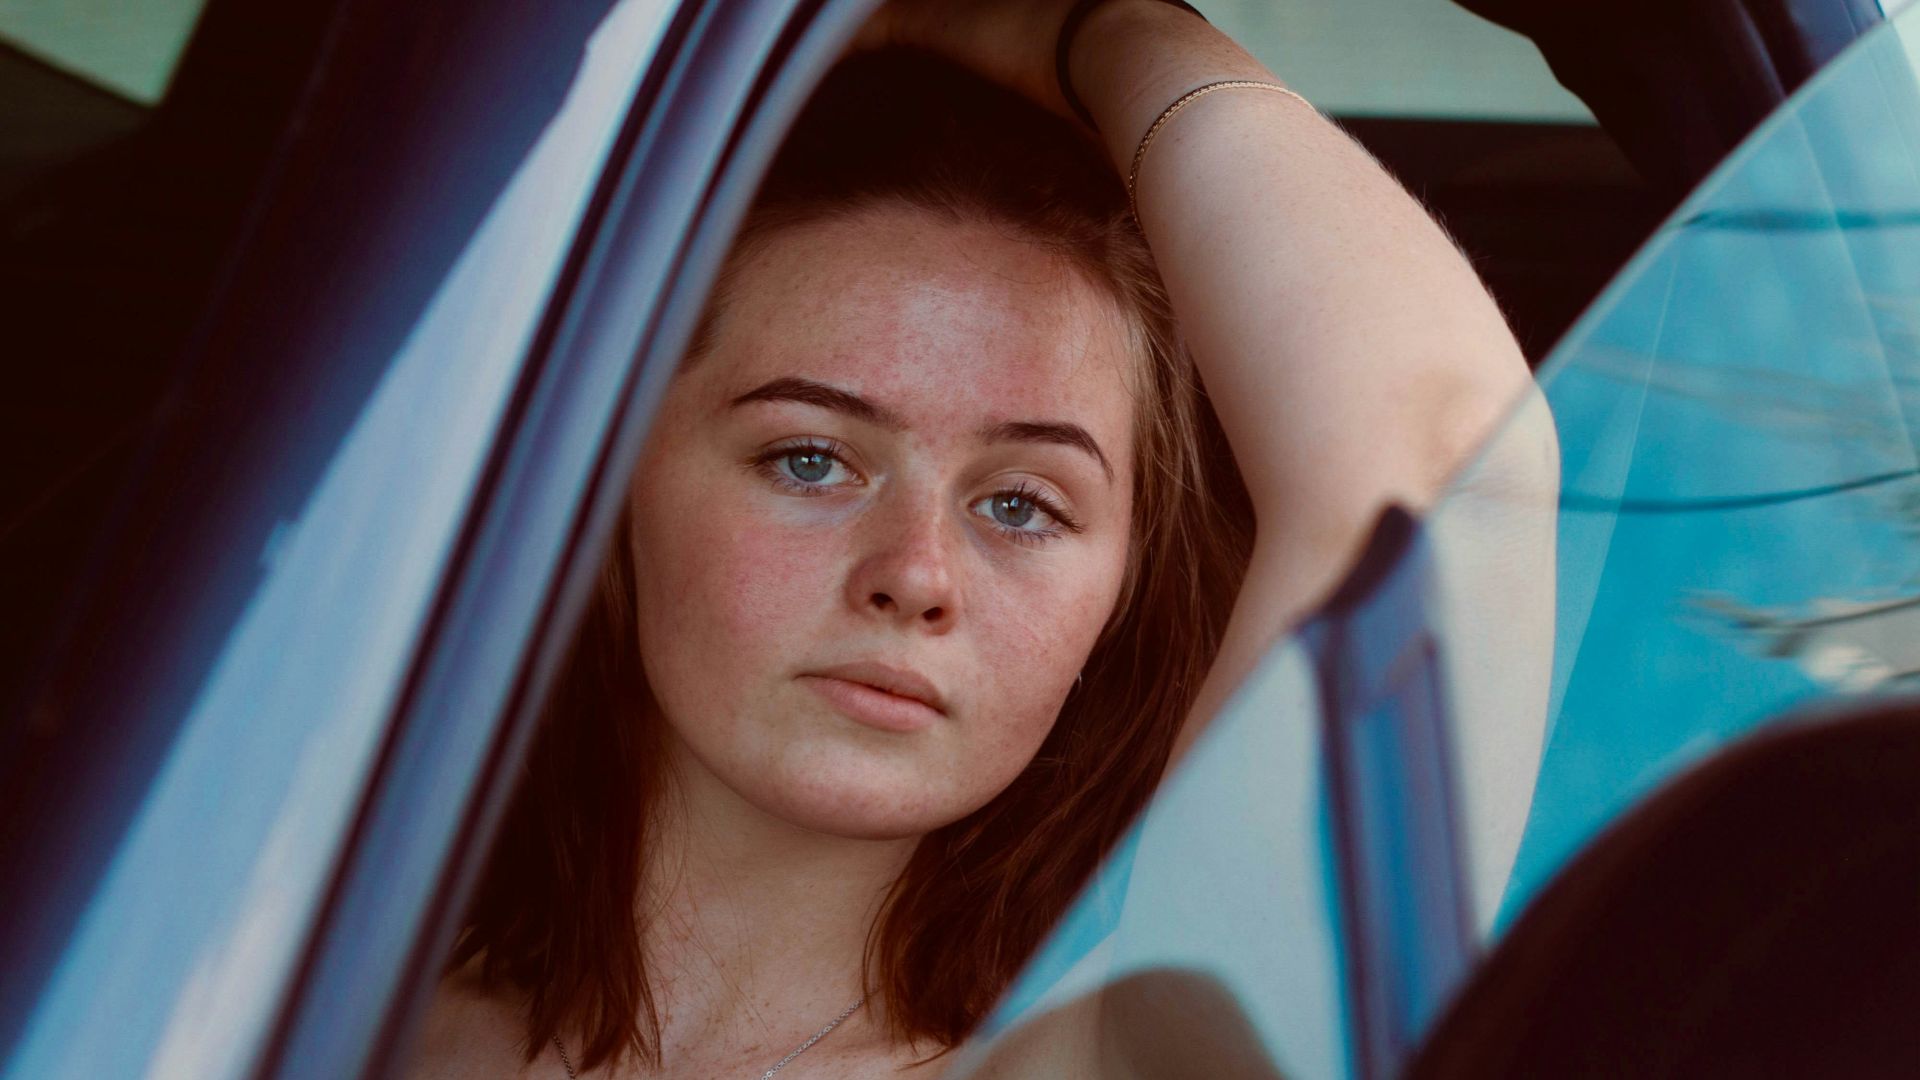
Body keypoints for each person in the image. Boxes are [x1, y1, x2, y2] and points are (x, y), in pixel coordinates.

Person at [406, 0, 1553, 1075]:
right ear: (614, 482)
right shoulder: (303, 966)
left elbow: (1444, 462)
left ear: (1120, 593)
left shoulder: (1124, 1062)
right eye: (810, 460)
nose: (914, 576)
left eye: (1022, 505)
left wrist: (1087, 28)